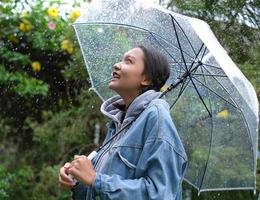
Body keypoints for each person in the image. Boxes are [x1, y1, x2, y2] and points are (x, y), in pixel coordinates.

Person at [59, 45, 188, 200]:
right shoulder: (118, 123)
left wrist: (96, 179)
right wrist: (77, 179)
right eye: (121, 60)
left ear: (146, 79)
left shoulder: (156, 117)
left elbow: (161, 194)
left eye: (128, 61)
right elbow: (97, 191)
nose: (117, 65)